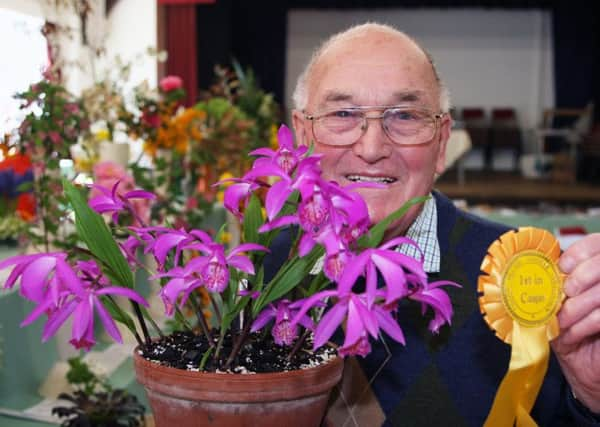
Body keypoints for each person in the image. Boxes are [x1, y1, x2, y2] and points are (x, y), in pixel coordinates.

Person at [281, 22, 600, 426]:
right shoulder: (263, 273)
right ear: (302, 133)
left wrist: (589, 399)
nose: (372, 147)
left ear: (442, 141)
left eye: (406, 116)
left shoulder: (526, 280)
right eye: (343, 113)